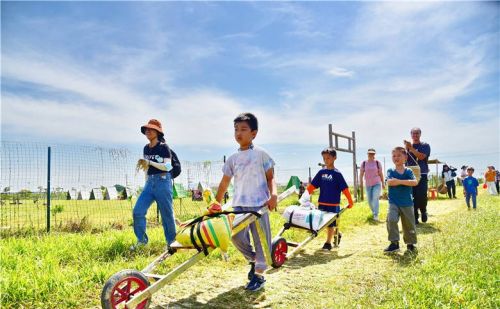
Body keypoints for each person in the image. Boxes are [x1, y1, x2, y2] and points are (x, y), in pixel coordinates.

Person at [210, 113, 277, 292]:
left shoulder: (261, 154)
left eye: (243, 129)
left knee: (261, 239)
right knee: (234, 236)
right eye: (236, 129)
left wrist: (274, 195)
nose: (238, 133)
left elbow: (271, 178)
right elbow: (224, 183)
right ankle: (255, 261)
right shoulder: (232, 158)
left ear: (254, 133)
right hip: (239, 205)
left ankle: (260, 275)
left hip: (259, 205)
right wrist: (216, 203)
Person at [131, 119, 177, 253]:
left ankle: (172, 244)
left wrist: (150, 163)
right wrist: (147, 176)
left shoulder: (163, 147)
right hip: (150, 183)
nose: (147, 131)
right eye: (146, 129)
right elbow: (147, 167)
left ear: (158, 132)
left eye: (151, 129)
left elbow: (168, 166)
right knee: (138, 211)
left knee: (167, 214)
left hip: (163, 180)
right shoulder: (146, 148)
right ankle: (141, 241)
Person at [306, 148, 354, 251]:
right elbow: (312, 186)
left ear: (334, 158)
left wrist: (350, 201)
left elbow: (345, 189)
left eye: (328, 158)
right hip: (322, 202)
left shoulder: (337, 174)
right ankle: (337, 233)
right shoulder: (321, 172)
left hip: (333, 204)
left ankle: (328, 243)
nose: (325, 160)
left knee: (330, 223)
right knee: (322, 223)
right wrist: (304, 196)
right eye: (324, 158)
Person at [384, 147, 418, 253]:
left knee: (409, 224)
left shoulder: (408, 171)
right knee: (391, 219)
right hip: (393, 202)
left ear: (405, 158)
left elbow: (414, 182)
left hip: (407, 202)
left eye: (399, 155)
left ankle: (410, 244)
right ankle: (394, 243)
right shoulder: (390, 170)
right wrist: (404, 182)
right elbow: (390, 182)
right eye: (394, 156)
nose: (396, 158)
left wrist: (398, 181)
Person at [404, 127, 431, 224]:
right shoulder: (406, 147)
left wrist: (411, 148)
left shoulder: (425, 145)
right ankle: (415, 217)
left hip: (422, 173)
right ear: (410, 135)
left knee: (422, 195)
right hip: (410, 174)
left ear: (420, 134)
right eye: (413, 133)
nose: (415, 135)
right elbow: (404, 160)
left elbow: (421, 156)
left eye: (417, 133)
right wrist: (405, 150)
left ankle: (423, 211)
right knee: (412, 195)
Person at [359, 148, 385, 221]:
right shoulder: (364, 163)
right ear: (367, 154)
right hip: (368, 184)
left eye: (372, 153)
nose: (371, 154)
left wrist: (383, 183)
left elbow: (381, 173)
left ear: (374, 154)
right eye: (370, 153)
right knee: (370, 201)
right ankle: (374, 212)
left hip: (377, 183)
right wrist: (360, 182)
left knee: (375, 198)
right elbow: (361, 174)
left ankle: (376, 215)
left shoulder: (377, 162)